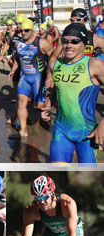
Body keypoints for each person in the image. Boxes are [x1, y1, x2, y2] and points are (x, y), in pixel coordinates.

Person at [42, 23, 104, 163]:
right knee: (58, 175)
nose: (69, 45)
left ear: (84, 44)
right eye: (65, 41)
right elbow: (59, 88)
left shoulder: (94, 65)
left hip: (86, 133)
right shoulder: (56, 65)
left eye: (75, 41)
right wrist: (49, 102)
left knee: (85, 181)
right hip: (61, 131)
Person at [8, 19, 53, 137]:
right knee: (21, 101)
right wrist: (13, 70)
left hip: (38, 78)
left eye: (26, 30)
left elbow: (53, 59)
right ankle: (23, 130)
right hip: (24, 77)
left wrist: (50, 76)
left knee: (39, 106)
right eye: (21, 31)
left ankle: (48, 113)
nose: (23, 33)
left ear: (32, 30)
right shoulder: (18, 44)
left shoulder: (42, 42)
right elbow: (17, 59)